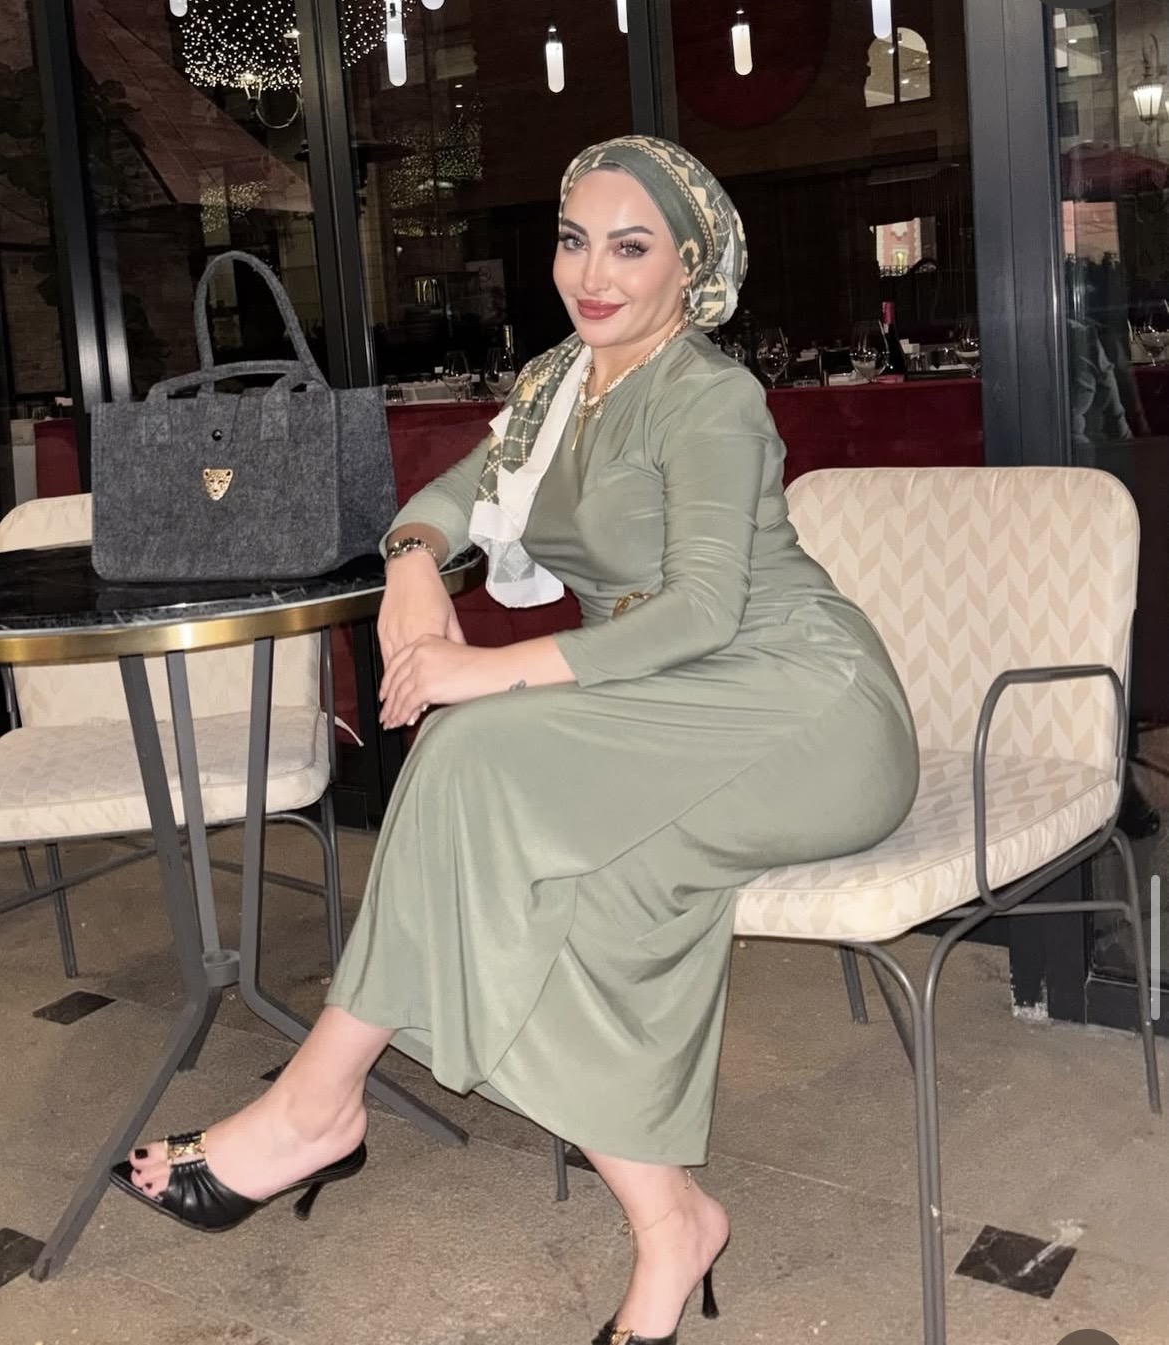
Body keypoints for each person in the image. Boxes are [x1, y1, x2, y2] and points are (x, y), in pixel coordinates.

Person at [112, 137, 919, 1345]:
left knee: (471, 751)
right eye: (574, 241)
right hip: (659, 707)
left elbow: (704, 611)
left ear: (689, 267)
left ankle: (314, 1105)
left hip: (798, 703)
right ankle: (673, 1226)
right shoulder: (560, 388)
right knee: (574, 891)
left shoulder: (710, 399)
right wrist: (410, 564)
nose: (594, 274)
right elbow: (454, 495)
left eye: (631, 247)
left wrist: (486, 667)